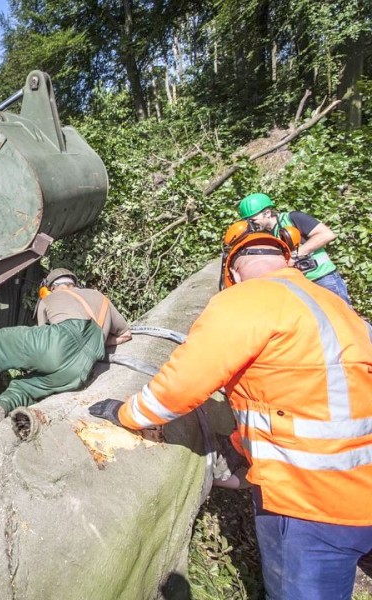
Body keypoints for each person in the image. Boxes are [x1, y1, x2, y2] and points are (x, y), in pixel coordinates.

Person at [90, 222, 372, 600]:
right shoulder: (334, 305)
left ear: (233, 270)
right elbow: (309, 393)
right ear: (286, 258)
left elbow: (181, 386)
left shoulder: (246, 300)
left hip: (310, 502)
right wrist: (241, 446)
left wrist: (126, 414)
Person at [0, 268, 132, 445]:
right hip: (80, 368)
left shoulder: (50, 297)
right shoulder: (99, 298)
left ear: (50, 286)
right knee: (24, 388)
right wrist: (96, 344)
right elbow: (125, 334)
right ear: (74, 283)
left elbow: (45, 341)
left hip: (58, 343)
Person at [238, 192, 351, 305]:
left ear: (267, 213)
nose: (252, 225)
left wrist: (297, 255)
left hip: (323, 278)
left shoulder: (293, 218)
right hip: (300, 285)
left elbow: (327, 234)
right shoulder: (265, 236)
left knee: (345, 318)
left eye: (253, 220)